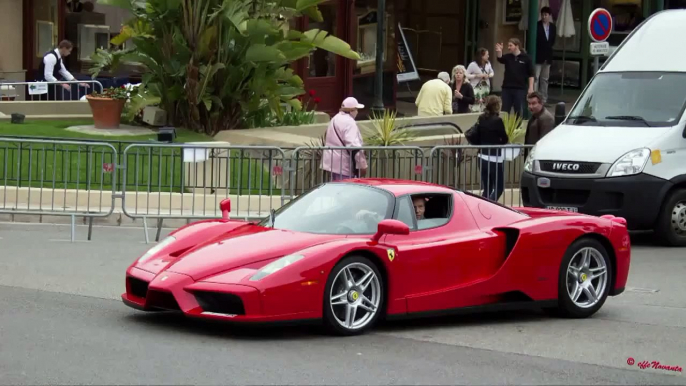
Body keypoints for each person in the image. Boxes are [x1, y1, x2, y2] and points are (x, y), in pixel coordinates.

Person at [465, 95, 509, 201]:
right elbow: (504, 139)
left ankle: (483, 207)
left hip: (482, 157)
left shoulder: (481, 118)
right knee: (498, 188)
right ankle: (490, 207)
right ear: (497, 106)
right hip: (494, 158)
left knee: (487, 188)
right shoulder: (498, 121)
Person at [321, 97, 368, 181]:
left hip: (331, 164)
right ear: (351, 110)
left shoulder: (335, 119)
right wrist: (362, 165)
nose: (357, 112)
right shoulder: (349, 122)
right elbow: (354, 146)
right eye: (356, 109)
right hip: (344, 166)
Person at [495, 38, 534, 118]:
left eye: (510, 45)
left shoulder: (526, 58)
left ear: (517, 46)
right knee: (505, 110)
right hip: (507, 88)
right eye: (508, 45)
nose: (508, 47)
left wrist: (531, 87)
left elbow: (531, 74)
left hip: (520, 88)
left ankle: (517, 128)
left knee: (518, 110)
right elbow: (500, 59)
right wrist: (499, 51)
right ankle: (504, 127)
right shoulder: (508, 57)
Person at [535, 7, 556, 103]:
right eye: (542, 15)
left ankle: (543, 99)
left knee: (545, 79)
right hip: (538, 57)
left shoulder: (552, 27)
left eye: (546, 15)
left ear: (549, 16)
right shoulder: (537, 26)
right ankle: (534, 97)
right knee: (536, 78)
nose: (544, 17)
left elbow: (552, 41)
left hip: (547, 57)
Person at [466, 48, 495, 113]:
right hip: (475, 87)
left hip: (485, 87)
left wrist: (488, 75)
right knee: (475, 104)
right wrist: (476, 76)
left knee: (484, 104)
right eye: (487, 55)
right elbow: (466, 75)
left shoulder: (488, 63)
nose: (488, 56)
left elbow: (492, 72)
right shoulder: (473, 64)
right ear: (481, 56)